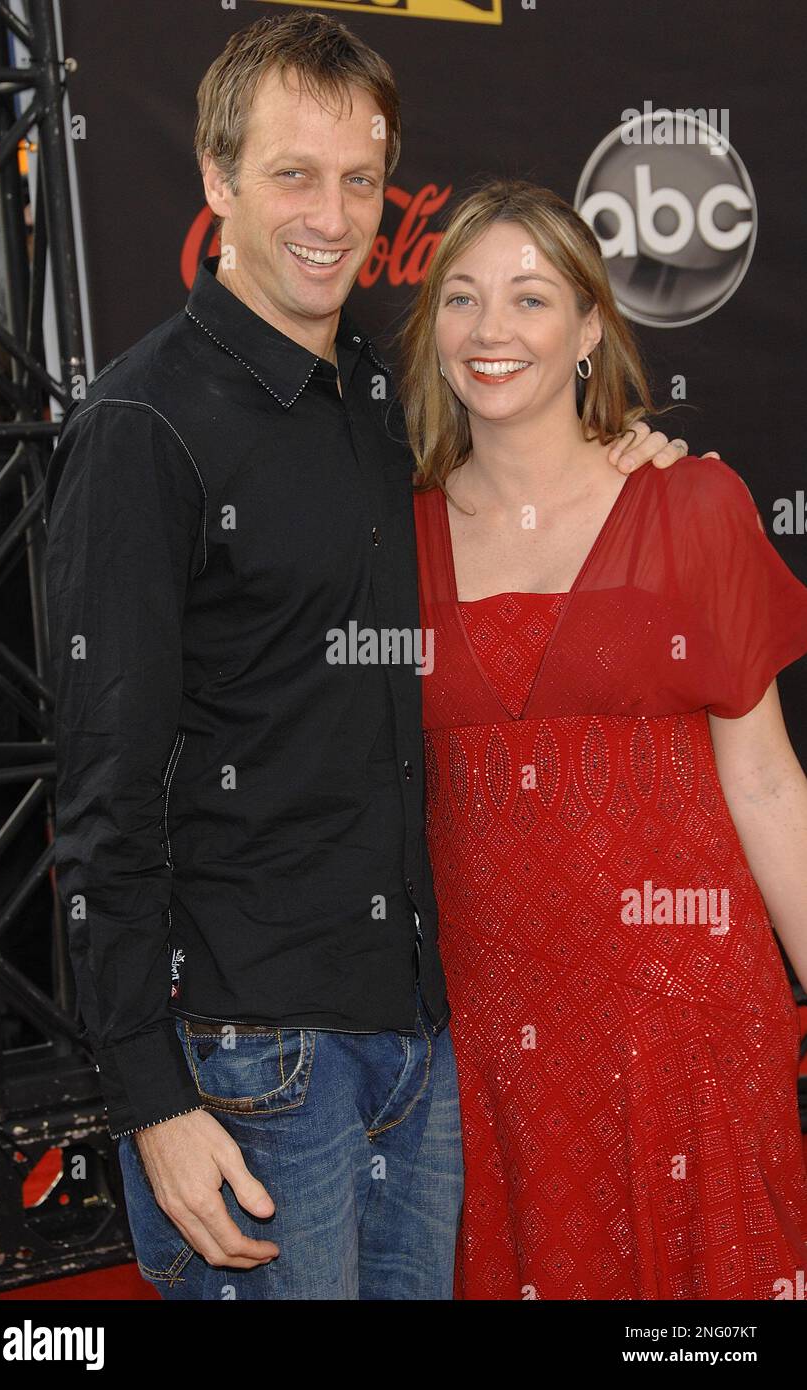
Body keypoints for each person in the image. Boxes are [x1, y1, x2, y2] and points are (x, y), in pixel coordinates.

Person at [44, 15, 699, 1301]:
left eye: (360, 180)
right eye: (293, 174)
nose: (333, 216)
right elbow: (99, 797)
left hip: (414, 1042)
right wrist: (150, 1100)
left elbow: (521, 486)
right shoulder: (141, 427)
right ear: (217, 180)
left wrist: (631, 468)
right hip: (245, 1057)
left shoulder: (373, 398)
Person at [402, 178, 807, 1300]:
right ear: (430, 332)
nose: (492, 332)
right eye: (462, 300)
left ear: (588, 328)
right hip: (489, 1042)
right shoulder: (389, 537)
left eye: (529, 299)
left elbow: (767, 784)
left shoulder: (692, 507)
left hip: (684, 1015)